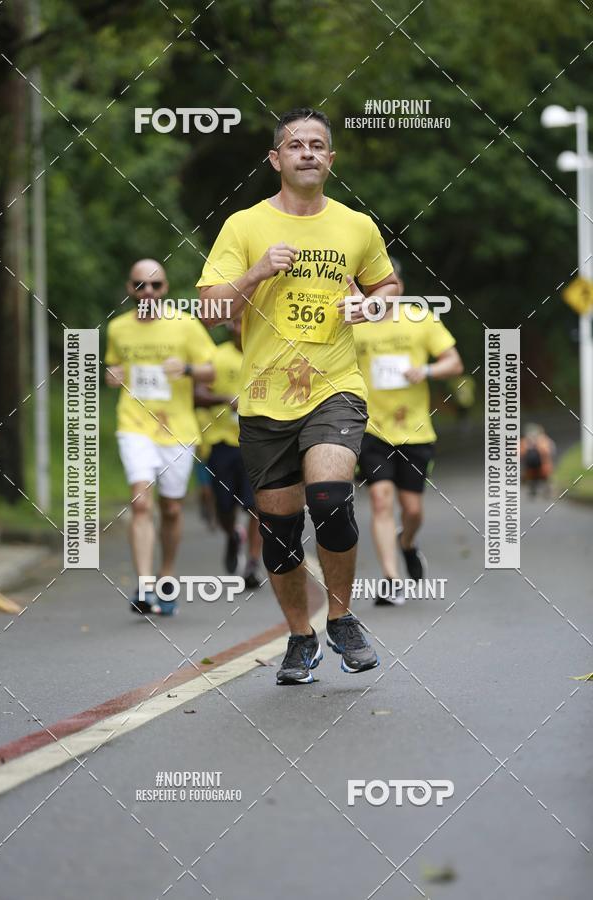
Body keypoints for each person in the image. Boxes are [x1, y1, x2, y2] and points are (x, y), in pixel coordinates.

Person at [196, 107, 400, 685]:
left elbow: (385, 283)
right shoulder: (243, 226)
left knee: (331, 496)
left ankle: (340, 618)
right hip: (264, 398)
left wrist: (373, 303)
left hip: (335, 387)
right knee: (279, 530)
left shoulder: (356, 226)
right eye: (295, 145)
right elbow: (213, 309)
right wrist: (258, 270)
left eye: (317, 145)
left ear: (330, 159)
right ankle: (300, 636)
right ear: (276, 159)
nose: (307, 152)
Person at [105, 259, 215, 615]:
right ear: (130, 289)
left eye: (154, 285)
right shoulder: (118, 329)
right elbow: (115, 367)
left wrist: (185, 369)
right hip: (134, 425)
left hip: (176, 429)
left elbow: (211, 369)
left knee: (170, 508)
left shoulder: (185, 325)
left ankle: (166, 575)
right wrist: (113, 375)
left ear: (165, 289)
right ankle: (145, 585)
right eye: (140, 285)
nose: (147, 292)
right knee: (140, 503)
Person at [354, 256, 464, 606]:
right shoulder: (355, 324)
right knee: (380, 500)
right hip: (373, 430)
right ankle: (391, 579)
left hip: (415, 431)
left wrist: (427, 371)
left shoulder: (420, 319)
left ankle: (407, 543)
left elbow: (454, 362)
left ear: (397, 286)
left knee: (412, 509)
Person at [194, 318, 263, 589]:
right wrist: (225, 399)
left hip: (257, 442)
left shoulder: (265, 352)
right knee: (224, 507)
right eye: (234, 323)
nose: (238, 328)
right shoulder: (216, 356)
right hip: (222, 441)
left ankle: (253, 563)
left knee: (257, 505)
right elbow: (197, 393)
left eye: (244, 322)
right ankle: (233, 535)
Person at [520, 424, 556, 497]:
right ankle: (536, 489)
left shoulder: (542, 441)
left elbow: (548, 451)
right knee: (537, 478)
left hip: (541, 465)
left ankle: (546, 490)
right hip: (533, 466)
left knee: (545, 479)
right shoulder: (542, 440)